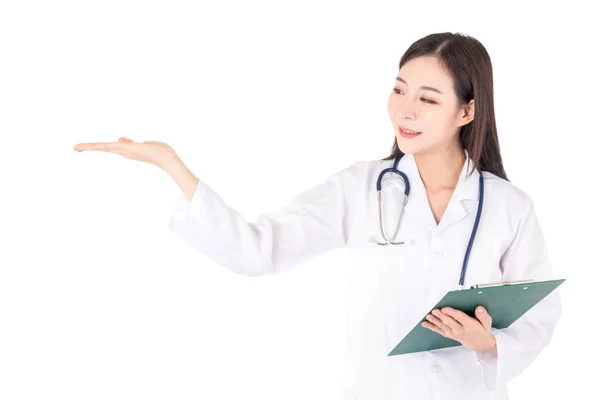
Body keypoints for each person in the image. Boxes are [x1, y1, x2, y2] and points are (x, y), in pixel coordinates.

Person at [73, 32, 563, 400]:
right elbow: (257, 250)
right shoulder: (359, 188)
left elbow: (540, 311)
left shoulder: (506, 206)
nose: (404, 110)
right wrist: (171, 165)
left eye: (427, 99)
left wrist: (491, 342)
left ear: (466, 111)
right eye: (399, 90)